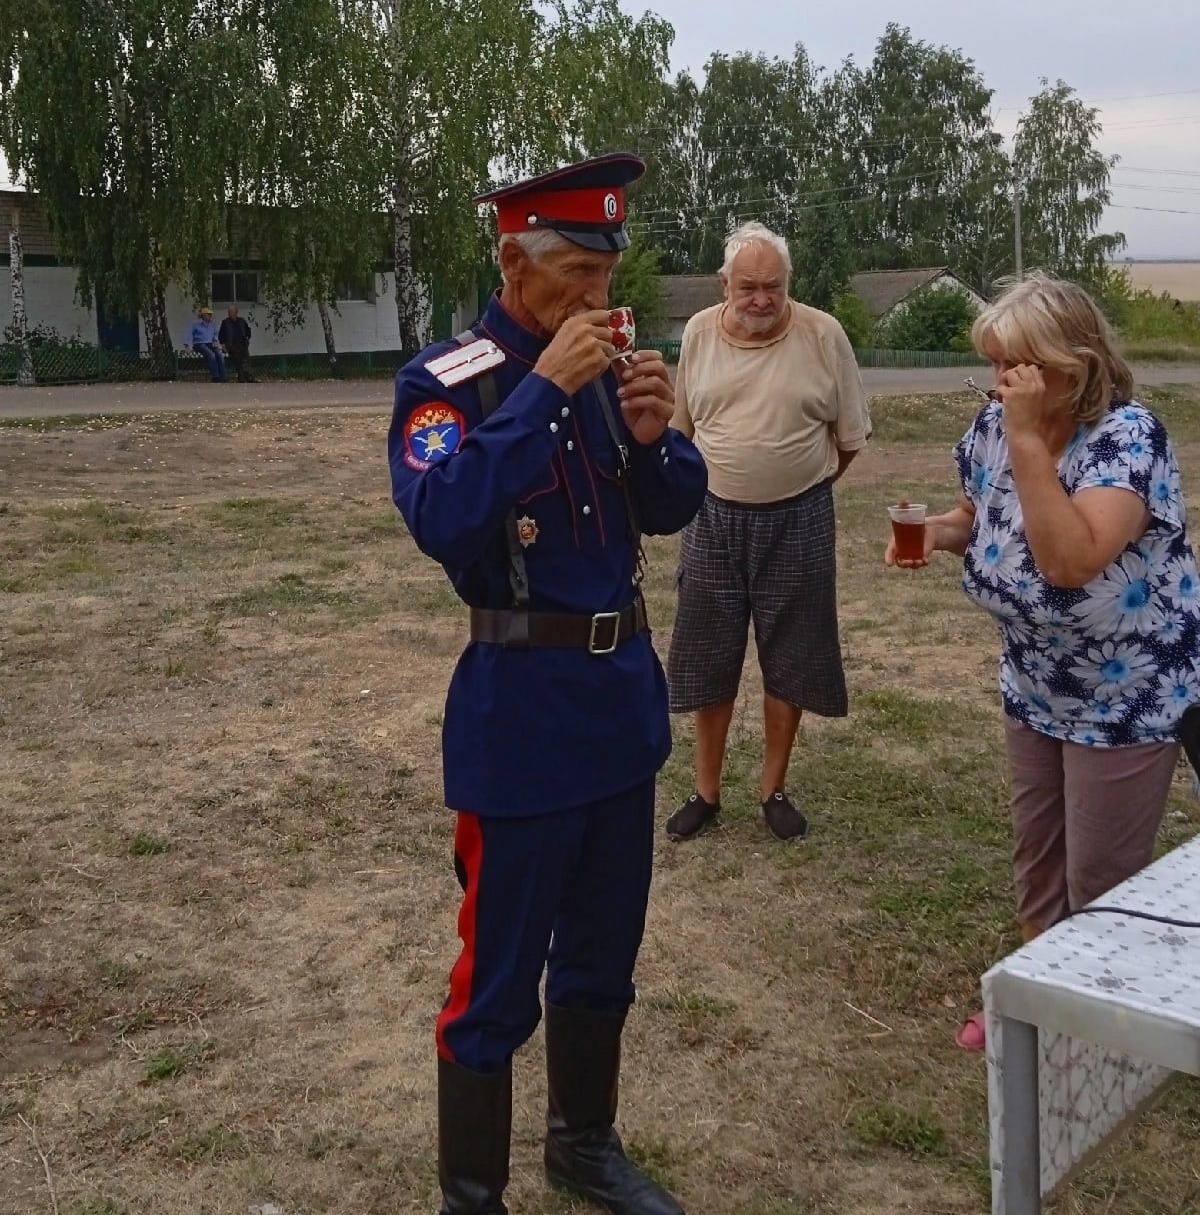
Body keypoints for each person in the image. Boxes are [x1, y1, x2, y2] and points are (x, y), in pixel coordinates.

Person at [388, 153, 707, 1215]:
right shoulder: (452, 381)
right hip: (519, 722)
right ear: (511, 263)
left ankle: (583, 1147)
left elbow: (664, 510)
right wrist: (540, 392)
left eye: (605, 274)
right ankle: (472, 1197)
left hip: (619, 712)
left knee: (604, 957)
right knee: (494, 984)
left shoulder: (611, 368)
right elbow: (443, 520)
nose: (595, 298)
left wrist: (662, 442)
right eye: (572, 270)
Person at [887, 272, 1200, 1052]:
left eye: (1019, 370)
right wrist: (940, 532)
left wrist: (1028, 439)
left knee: (1101, 878)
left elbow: (1070, 560)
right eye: (995, 368)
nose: (1002, 387)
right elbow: (978, 507)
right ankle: (1034, 1008)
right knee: (1039, 860)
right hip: (1035, 681)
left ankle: (1091, 1033)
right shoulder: (998, 426)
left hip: (1124, 694)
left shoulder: (1127, 439)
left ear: (1075, 365)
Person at [664, 221, 872, 843]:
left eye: (772, 287)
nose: (760, 299)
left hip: (800, 517)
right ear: (724, 283)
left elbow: (849, 439)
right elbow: (681, 429)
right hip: (712, 516)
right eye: (747, 287)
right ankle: (705, 790)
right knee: (707, 654)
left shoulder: (823, 335)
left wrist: (798, 488)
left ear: (789, 285)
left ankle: (773, 789)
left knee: (793, 656)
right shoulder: (699, 332)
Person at [186, 305, 225, 381]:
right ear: (203, 315)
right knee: (211, 355)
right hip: (199, 344)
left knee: (220, 355)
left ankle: (223, 377)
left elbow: (215, 334)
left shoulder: (212, 324)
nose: (210, 316)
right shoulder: (196, 324)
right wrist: (187, 345)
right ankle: (215, 377)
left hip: (210, 343)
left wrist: (215, 341)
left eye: (210, 314)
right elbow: (188, 334)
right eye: (208, 314)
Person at [218, 304, 255, 382]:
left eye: (232, 312)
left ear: (236, 312)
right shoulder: (225, 322)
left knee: (247, 359)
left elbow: (248, 331)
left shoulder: (242, 321)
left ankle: (249, 377)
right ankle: (242, 377)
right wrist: (223, 345)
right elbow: (221, 335)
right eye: (229, 312)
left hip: (243, 344)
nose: (230, 313)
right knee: (238, 359)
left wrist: (247, 339)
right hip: (231, 345)